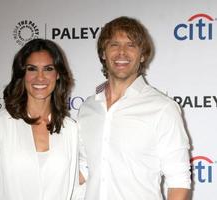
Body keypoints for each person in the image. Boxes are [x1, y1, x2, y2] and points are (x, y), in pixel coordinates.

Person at [78, 16, 191, 200]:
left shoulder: (162, 108)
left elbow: (179, 181)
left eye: (130, 45)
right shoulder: (88, 108)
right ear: (103, 53)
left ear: (142, 55)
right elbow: (83, 167)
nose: (121, 52)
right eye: (114, 44)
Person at [0, 38, 80, 200]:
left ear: (58, 74)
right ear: (22, 74)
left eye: (48, 69)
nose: (40, 77)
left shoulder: (70, 128)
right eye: (32, 69)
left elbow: (73, 192)